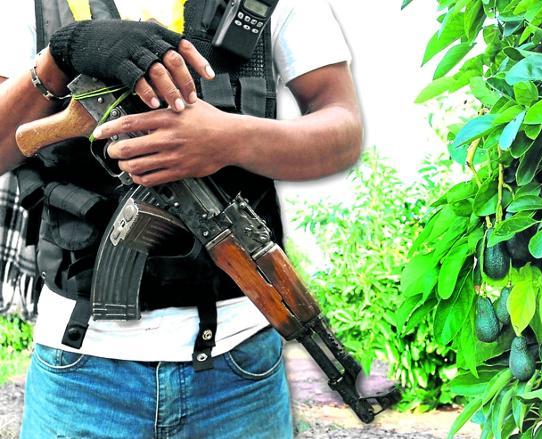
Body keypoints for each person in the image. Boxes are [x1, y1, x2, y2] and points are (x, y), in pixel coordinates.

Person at [0, 0, 362, 437]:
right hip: (80, 373)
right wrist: (59, 59)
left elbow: (343, 132)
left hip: (238, 373)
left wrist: (232, 140)